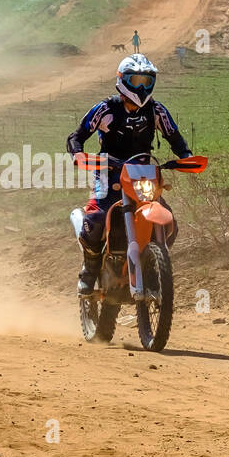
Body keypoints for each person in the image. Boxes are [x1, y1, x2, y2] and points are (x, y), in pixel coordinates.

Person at [66, 54, 192, 295]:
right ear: (123, 81)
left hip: (143, 174)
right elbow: (76, 136)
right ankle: (90, 268)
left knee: (170, 224)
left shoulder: (156, 110)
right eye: (136, 80)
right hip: (109, 172)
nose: (142, 87)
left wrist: (185, 156)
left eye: (146, 81)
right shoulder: (106, 109)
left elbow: (173, 136)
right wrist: (79, 154)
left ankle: (151, 262)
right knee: (96, 221)